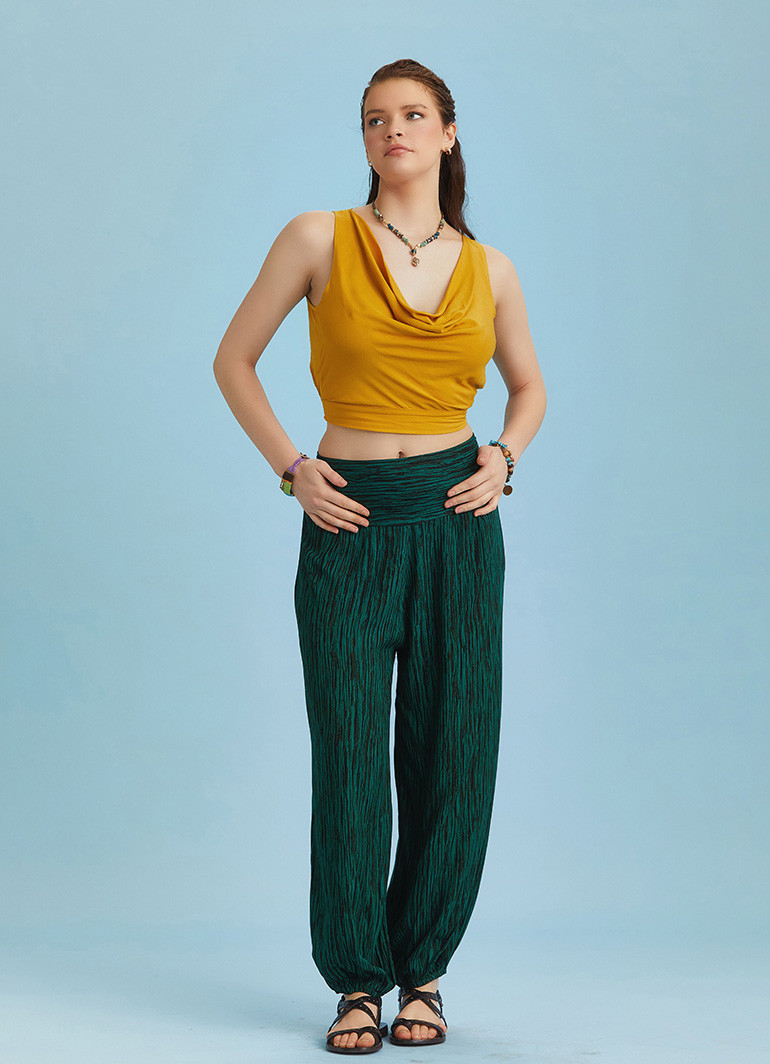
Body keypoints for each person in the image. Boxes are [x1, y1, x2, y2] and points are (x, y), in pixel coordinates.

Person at [213, 57, 547, 1055]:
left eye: (410, 114)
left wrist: (503, 456)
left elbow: (528, 387)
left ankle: (424, 972)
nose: (390, 130)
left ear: (447, 133)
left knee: (455, 751)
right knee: (352, 753)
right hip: (348, 518)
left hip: (455, 521)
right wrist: (292, 469)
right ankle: (358, 979)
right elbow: (233, 358)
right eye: (372, 118)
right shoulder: (318, 238)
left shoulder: (491, 268)